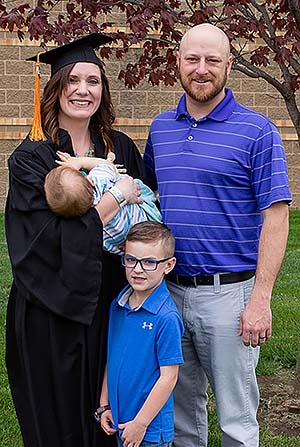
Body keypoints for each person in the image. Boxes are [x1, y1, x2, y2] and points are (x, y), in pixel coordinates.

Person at [144, 23, 292, 447]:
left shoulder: (257, 131)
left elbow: (277, 217)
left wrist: (260, 299)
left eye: (212, 60)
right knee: (180, 412)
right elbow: (153, 198)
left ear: (229, 65)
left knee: (236, 419)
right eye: (193, 59)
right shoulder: (161, 128)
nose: (202, 69)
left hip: (229, 297)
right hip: (168, 291)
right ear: (178, 63)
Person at [5, 33, 146, 447]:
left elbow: (144, 221)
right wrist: (112, 200)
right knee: (57, 418)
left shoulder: (120, 147)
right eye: (73, 80)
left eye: (94, 81)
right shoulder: (32, 158)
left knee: (111, 410)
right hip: (50, 306)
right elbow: (40, 240)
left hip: (113, 299)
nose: (84, 91)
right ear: (55, 88)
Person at [98, 221, 184, 447]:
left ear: (168, 265)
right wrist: (105, 403)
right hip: (120, 420)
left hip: (149, 430)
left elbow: (169, 377)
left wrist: (141, 424)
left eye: (149, 262)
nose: (137, 269)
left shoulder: (166, 318)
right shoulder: (118, 305)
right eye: (131, 260)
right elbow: (113, 357)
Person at [44, 151, 161, 254]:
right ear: (89, 181)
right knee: (122, 179)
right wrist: (79, 162)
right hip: (148, 216)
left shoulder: (97, 229)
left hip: (135, 242)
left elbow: (112, 247)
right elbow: (107, 166)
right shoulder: (99, 180)